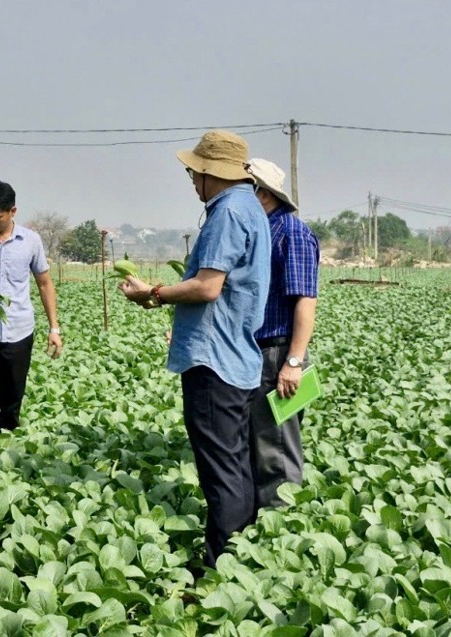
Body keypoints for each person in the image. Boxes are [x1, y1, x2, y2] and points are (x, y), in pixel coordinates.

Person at [117, 130, 271, 569]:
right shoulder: (252, 208)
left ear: (211, 174)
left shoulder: (227, 213)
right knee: (236, 464)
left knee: (220, 472)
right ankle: (240, 557)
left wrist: (155, 292)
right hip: (238, 356)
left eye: (194, 171)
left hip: (214, 358)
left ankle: (219, 564)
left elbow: (207, 287)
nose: (190, 178)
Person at [0, 181, 62, 439]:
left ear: (12, 211)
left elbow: (44, 283)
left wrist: (54, 328)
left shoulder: (31, 241)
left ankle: (7, 449)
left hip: (19, 331)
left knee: (12, 399)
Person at [247, 158, 319, 511]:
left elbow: (305, 300)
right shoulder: (261, 231)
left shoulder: (291, 232)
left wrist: (292, 362)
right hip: (257, 352)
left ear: (262, 193)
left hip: (277, 354)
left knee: (275, 449)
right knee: (259, 445)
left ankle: (282, 529)